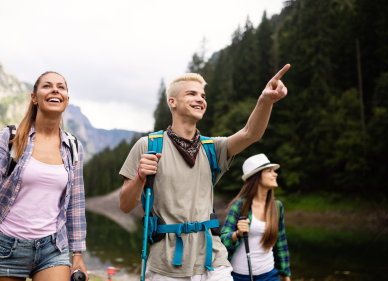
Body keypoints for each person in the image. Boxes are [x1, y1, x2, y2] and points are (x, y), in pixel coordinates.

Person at [119, 65, 290, 280]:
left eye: (203, 95)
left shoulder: (213, 148)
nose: (200, 99)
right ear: (172, 102)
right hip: (167, 264)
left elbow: (250, 134)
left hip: (213, 259)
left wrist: (265, 100)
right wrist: (140, 177)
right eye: (191, 93)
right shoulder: (149, 145)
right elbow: (125, 205)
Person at [0, 71, 88, 281]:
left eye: (61, 87)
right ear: (34, 97)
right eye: (47, 86)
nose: (55, 89)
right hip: (8, 246)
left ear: (66, 99)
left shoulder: (73, 147)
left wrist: (77, 255)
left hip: (52, 249)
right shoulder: (11, 137)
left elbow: (75, 204)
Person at [221, 154, 291, 281]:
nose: (275, 174)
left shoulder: (277, 206)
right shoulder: (240, 205)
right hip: (239, 276)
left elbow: (281, 242)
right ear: (257, 177)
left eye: (274, 171)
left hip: (269, 274)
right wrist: (237, 233)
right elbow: (222, 241)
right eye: (269, 171)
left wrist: (285, 274)